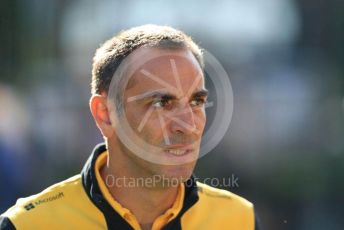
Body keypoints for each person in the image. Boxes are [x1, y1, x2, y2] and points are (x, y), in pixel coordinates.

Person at [0, 24, 260, 230]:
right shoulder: (28, 226)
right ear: (105, 115)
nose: (188, 126)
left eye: (196, 101)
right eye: (162, 103)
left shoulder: (239, 220)